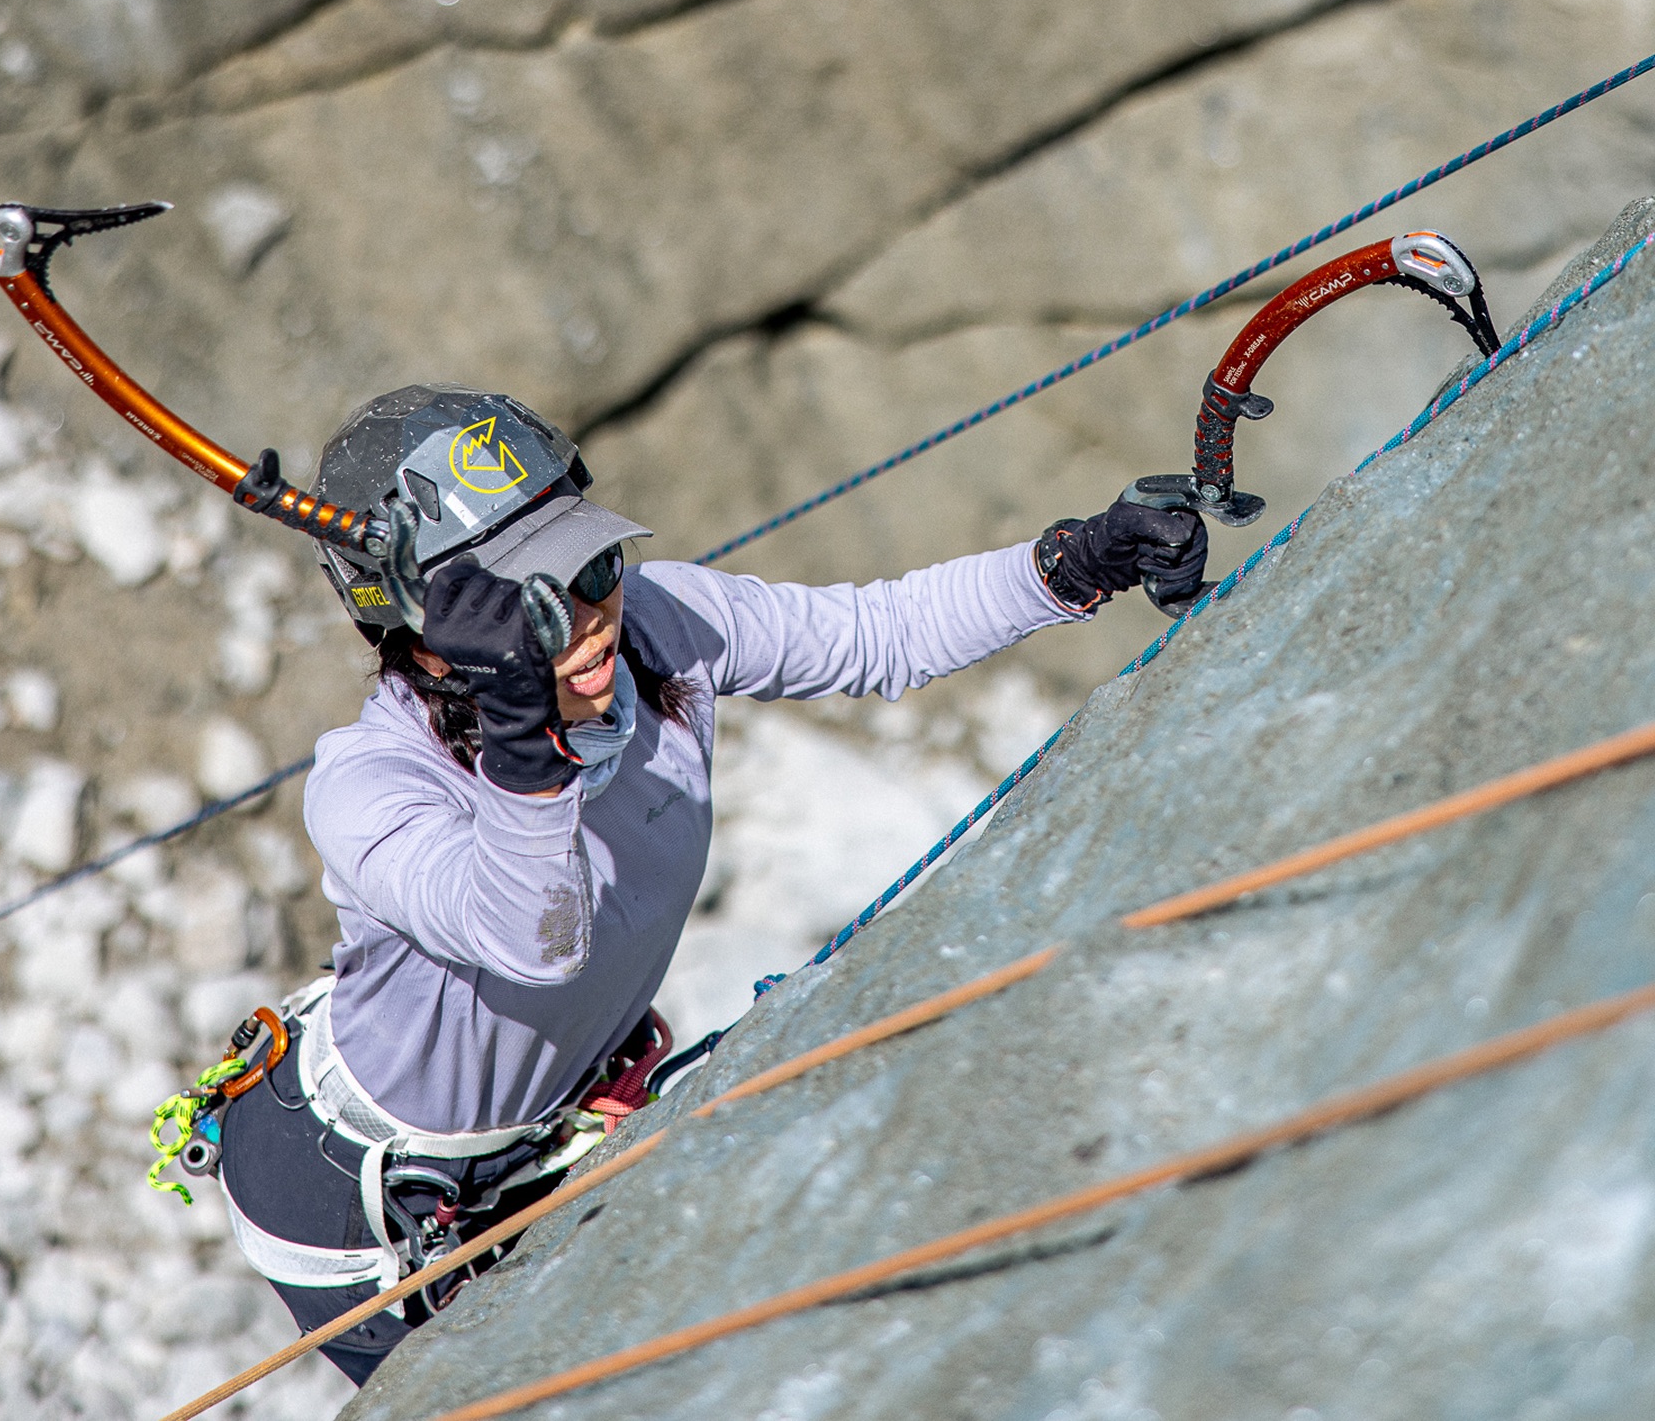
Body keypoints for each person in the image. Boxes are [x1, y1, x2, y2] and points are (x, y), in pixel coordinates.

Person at [212, 383, 1206, 1383]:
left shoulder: (658, 626)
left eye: (592, 565)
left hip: (544, 1128)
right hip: (352, 1203)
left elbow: (875, 637)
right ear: (426, 638)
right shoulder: (369, 783)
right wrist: (520, 739)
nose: (588, 617)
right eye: (533, 608)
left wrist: (1071, 565)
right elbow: (533, 939)